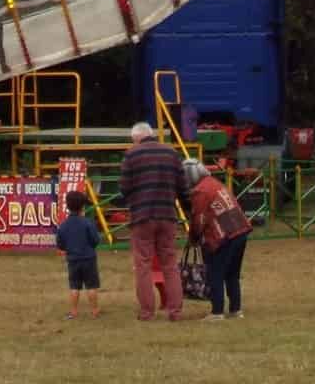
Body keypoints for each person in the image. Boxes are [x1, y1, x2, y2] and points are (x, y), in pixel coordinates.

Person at [117, 121, 185, 321]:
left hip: (142, 217)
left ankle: (147, 312)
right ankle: (175, 311)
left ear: (137, 138)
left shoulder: (131, 155)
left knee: (143, 265)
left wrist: (134, 199)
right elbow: (182, 187)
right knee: (170, 265)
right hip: (167, 215)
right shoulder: (172, 153)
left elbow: (124, 188)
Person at [184, 159, 253, 321]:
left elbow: (199, 219)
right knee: (232, 274)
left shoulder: (200, 191)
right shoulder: (214, 183)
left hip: (224, 235)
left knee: (215, 273)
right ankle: (236, 310)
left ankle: (217, 312)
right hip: (240, 229)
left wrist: (193, 238)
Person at [55, 190, 102, 320]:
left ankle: (74, 311)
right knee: (92, 286)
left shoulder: (63, 226)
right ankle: (94, 310)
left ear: (68, 206)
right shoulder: (88, 223)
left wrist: (68, 248)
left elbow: (60, 244)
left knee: (74, 286)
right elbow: (96, 240)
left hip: (73, 260)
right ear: (82, 207)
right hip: (89, 259)